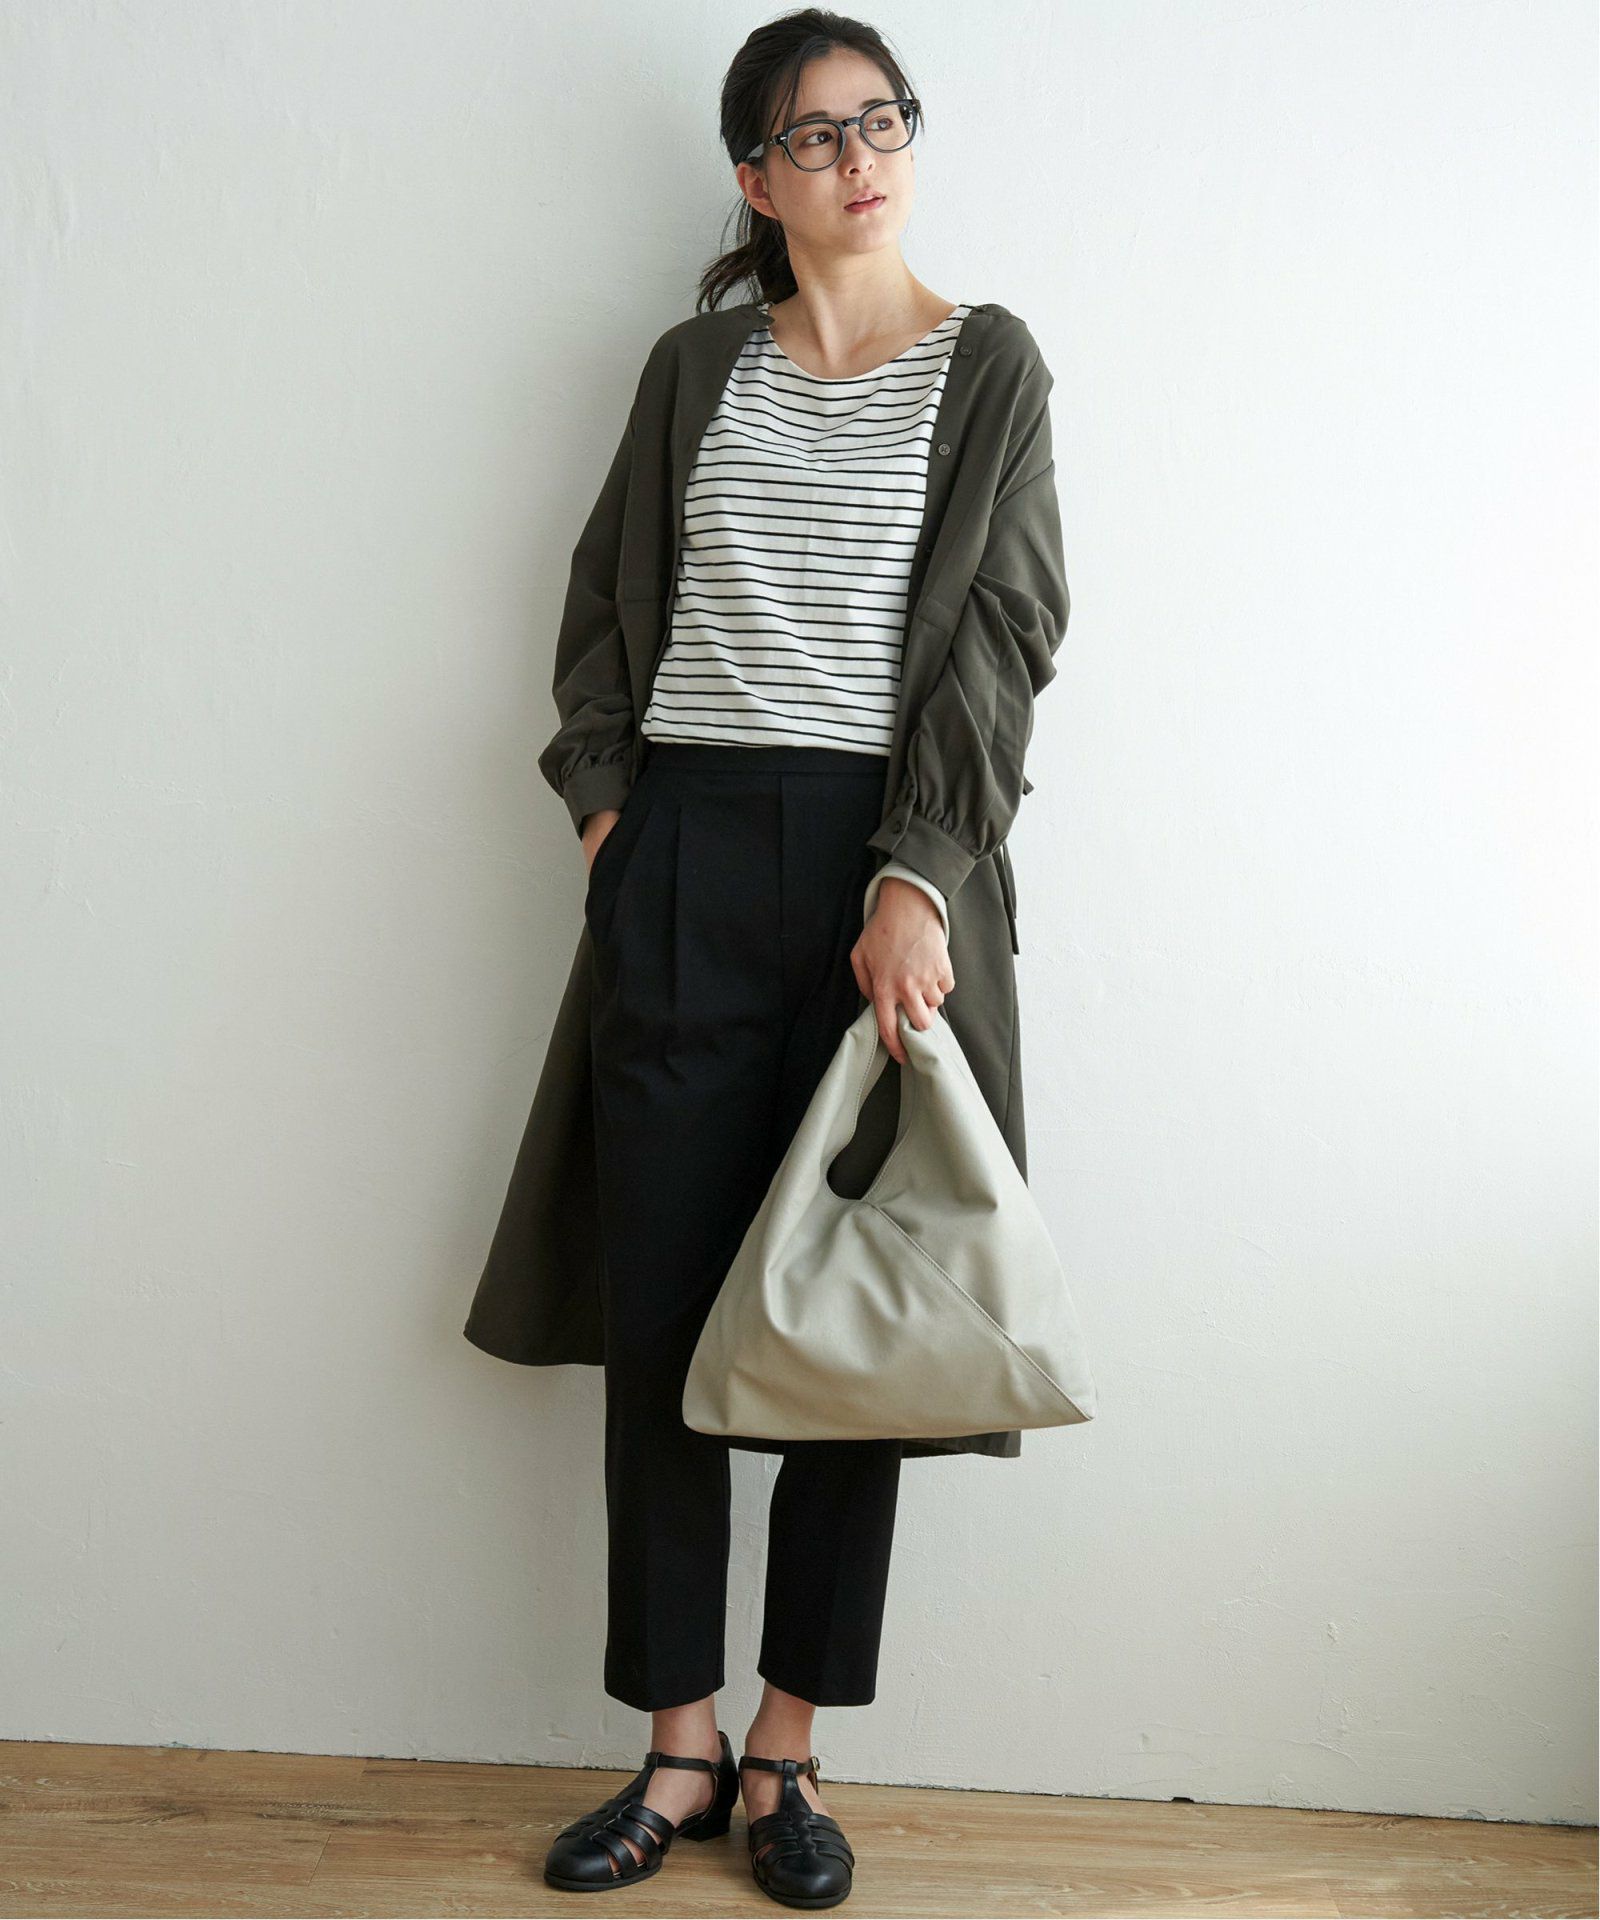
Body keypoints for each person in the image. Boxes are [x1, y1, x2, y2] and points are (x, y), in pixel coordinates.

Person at [535, 11, 1068, 1909]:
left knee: (866, 1317)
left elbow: (1008, 632)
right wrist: (611, 821)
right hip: (685, 852)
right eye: (816, 136)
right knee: (669, 1312)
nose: (862, 161)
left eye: (883, 122)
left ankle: (787, 1751)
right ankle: (676, 1744)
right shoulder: (695, 368)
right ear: (755, 179)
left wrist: (920, 874)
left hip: (881, 873)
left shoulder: (987, 365)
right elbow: (601, 607)